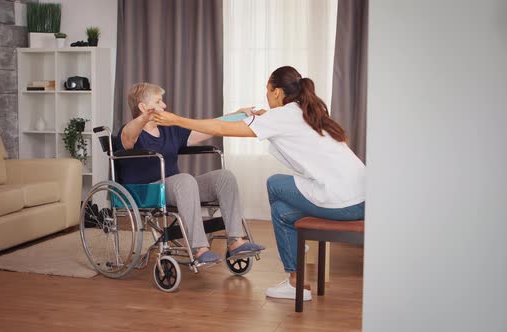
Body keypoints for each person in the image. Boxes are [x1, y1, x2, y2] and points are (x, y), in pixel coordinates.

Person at [152, 66, 365, 301]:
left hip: (343, 202)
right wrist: (264, 119)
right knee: (282, 211)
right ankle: (295, 283)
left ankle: (294, 247)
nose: (266, 95)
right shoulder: (307, 113)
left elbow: (221, 128)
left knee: (274, 183)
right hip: (362, 198)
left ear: (277, 92)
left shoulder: (282, 116)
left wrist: (175, 119)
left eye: (267, 90)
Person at [113, 83, 265, 266]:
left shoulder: (170, 130)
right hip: (147, 191)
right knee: (184, 180)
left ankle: (235, 241)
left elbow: (209, 127)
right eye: (159, 102)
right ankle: (199, 249)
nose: (164, 106)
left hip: (178, 187)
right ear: (143, 106)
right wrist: (143, 118)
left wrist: (238, 114)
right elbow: (129, 135)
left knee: (225, 177)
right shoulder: (129, 132)